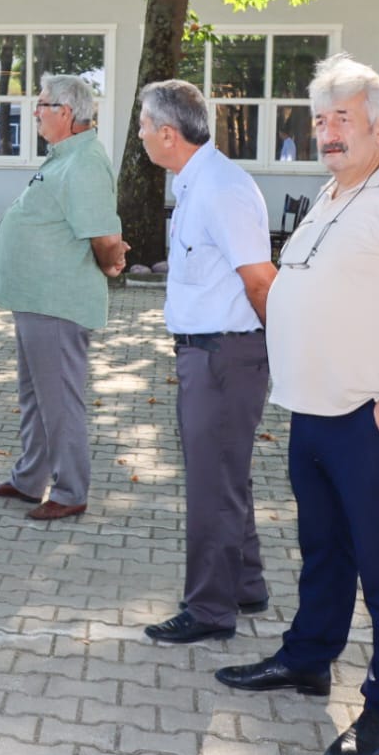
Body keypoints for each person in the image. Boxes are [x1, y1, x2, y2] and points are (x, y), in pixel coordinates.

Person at [214, 56, 379, 755]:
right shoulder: (333, 193)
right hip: (314, 411)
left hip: (374, 419)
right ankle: (308, 657)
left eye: (343, 119)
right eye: (320, 119)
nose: (327, 132)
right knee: (323, 550)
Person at [135, 79, 276, 644]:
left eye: (145, 125)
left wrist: (279, 350)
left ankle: (210, 610)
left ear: (169, 133)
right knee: (224, 474)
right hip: (212, 353)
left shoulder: (220, 188)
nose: (140, 134)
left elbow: (260, 280)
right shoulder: (198, 183)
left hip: (224, 355)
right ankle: (245, 584)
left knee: (211, 485)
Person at [0, 74, 127, 521]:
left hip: (57, 303)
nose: (35, 112)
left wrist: (111, 263)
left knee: (59, 399)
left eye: (41, 104)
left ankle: (70, 490)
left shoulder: (85, 162)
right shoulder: (65, 156)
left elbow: (104, 236)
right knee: (36, 395)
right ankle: (30, 478)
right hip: (37, 299)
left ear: (65, 112)